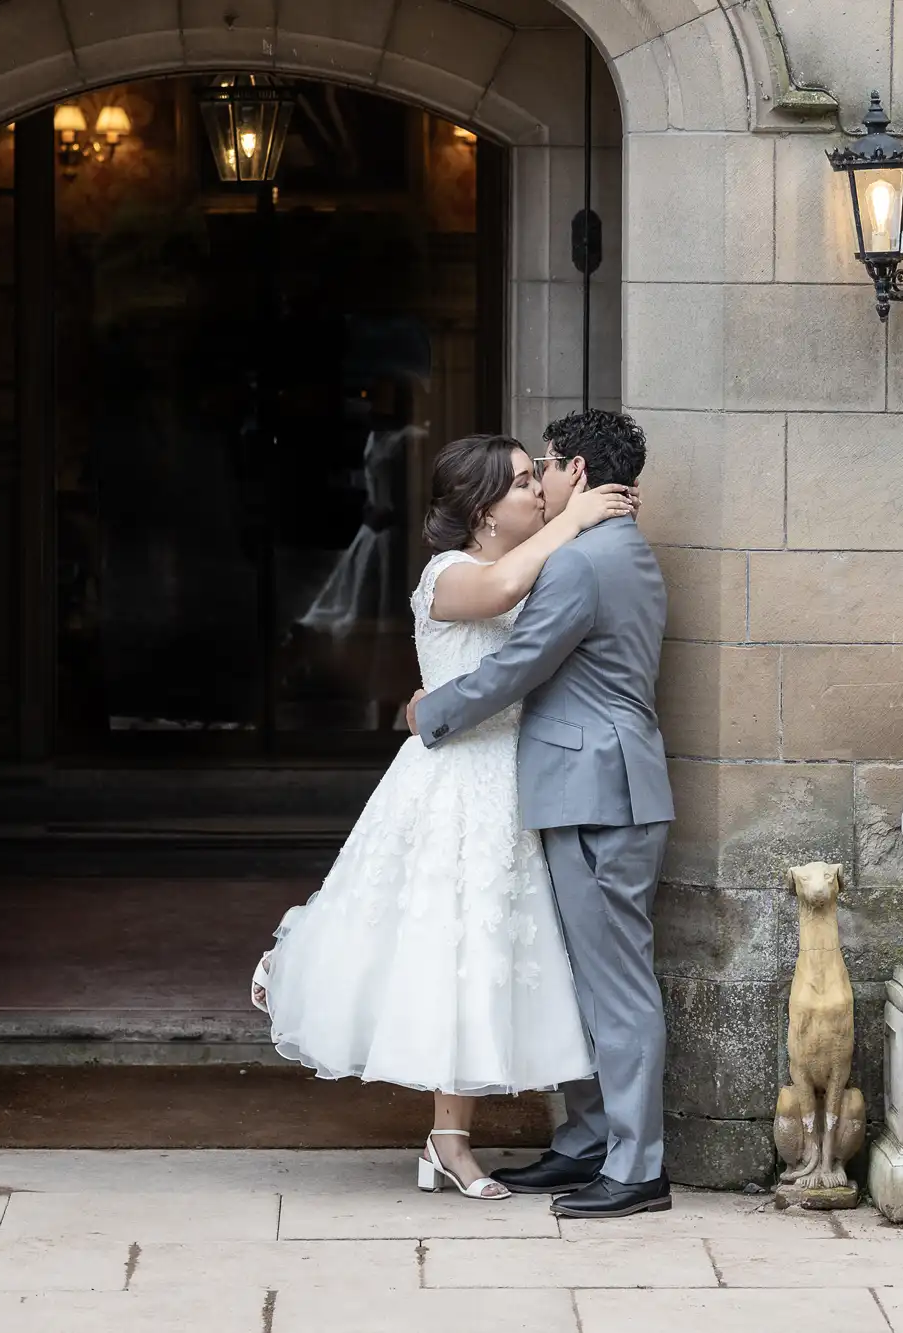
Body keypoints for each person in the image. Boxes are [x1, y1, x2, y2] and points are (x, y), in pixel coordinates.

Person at [253, 432, 638, 1200]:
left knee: (483, 961)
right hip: (452, 783)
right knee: (442, 948)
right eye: (524, 482)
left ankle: (447, 1142)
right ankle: (292, 963)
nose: (539, 491)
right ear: (483, 510)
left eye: (541, 478)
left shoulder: (537, 569)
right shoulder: (448, 575)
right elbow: (495, 596)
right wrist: (578, 516)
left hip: (510, 783)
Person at [406, 409, 673, 1221]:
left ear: (580, 474)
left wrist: (431, 712)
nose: (543, 481)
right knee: (587, 980)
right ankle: (589, 1142)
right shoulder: (609, 549)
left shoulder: (585, 561)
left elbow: (521, 664)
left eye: (548, 467)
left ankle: (636, 1166)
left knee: (616, 985)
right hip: (592, 783)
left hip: (598, 790)